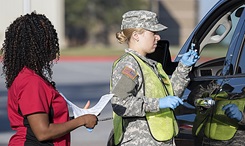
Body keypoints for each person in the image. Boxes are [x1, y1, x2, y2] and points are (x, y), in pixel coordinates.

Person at [1, 12, 98, 146]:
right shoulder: (31, 82)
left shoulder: (28, 76)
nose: (53, 45)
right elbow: (42, 132)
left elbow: (45, 121)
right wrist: (82, 121)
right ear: (36, 45)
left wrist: (79, 117)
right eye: (48, 39)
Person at [109, 10, 199, 146]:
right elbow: (120, 103)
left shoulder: (150, 65)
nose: (158, 37)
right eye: (153, 33)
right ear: (136, 35)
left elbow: (170, 96)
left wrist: (184, 67)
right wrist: (158, 103)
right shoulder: (129, 65)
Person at [189, 81, 245, 146]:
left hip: (232, 142)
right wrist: (215, 82)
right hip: (202, 140)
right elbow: (193, 99)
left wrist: (241, 117)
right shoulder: (220, 91)